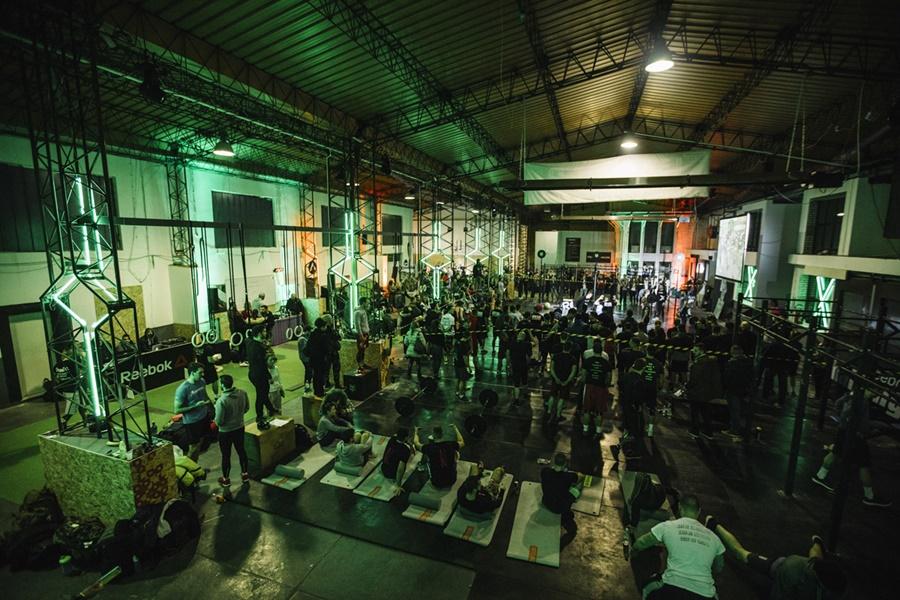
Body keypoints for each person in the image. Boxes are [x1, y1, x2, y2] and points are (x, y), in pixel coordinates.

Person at [704, 517, 847, 600]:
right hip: (779, 567)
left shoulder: (829, 577)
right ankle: (714, 524)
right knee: (740, 553)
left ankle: (817, 542)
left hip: (812, 567)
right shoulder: (791, 571)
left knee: (816, 553)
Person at [631, 494, 725, 600]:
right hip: (705, 594)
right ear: (699, 511)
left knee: (647, 589)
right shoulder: (714, 538)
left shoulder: (668, 526)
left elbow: (641, 543)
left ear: (680, 507)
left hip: (672, 589)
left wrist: (633, 550)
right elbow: (719, 567)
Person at [811, 389, 892, 508]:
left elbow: (838, 404)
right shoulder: (862, 400)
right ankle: (869, 496)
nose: (877, 394)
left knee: (835, 453)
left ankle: (820, 476)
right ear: (870, 388)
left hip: (843, 431)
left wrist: (844, 422)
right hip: (855, 435)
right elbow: (851, 416)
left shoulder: (854, 393)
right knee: (864, 465)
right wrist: (863, 428)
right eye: (877, 391)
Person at [213, 374, 250, 486]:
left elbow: (219, 421)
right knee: (241, 450)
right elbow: (246, 408)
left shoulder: (222, 401)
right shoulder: (242, 393)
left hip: (225, 432)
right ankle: (245, 474)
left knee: (226, 455)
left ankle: (226, 479)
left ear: (222, 385)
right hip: (239, 427)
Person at [173, 362, 212, 460]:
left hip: (204, 417)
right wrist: (195, 406)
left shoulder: (202, 381)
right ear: (192, 373)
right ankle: (191, 466)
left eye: (203, 372)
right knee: (194, 447)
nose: (203, 374)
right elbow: (177, 410)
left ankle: (195, 464)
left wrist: (211, 407)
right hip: (192, 422)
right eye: (200, 373)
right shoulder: (183, 389)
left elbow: (205, 396)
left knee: (201, 441)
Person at [540, 452, 584, 536]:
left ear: (554, 463)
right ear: (564, 464)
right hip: (560, 508)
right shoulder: (569, 476)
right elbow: (580, 477)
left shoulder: (545, 471)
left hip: (546, 502)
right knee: (579, 485)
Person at [687, 341, 723, 440]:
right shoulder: (712, 362)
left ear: (700, 350)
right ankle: (708, 432)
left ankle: (694, 431)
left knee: (695, 413)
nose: (693, 351)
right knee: (705, 413)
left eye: (695, 349)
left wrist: (687, 386)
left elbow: (694, 379)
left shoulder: (698, 363)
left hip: (697, 392)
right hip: (707, 392)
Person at [416, 424, 465, 488]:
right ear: (442, 434)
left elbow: (416, 442)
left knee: (428, 457)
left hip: (436, 482)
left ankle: (422, 466)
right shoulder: (451, 444)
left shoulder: (428, 447)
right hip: (452, 480)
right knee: (455, 453)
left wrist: (416, 432)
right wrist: (455, 428)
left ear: (433, 435)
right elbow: (461, 441)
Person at [247, 326, 276, 430]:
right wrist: (269, 376)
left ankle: (270, 409)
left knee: (262, 393)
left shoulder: (250, 342)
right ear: (259, 333)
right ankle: (260, 415)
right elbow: (262, 364)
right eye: (263, 331)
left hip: (252, 373)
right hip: (259, 374)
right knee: (261, 395)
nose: (265, 332)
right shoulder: (259, 348)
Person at [582, 338, 612, 437]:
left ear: (593, 350)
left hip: (589, 386)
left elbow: (583, 375)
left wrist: (586, 382)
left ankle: (585, 429)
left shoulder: (588, 361)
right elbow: (609, 377)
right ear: (601, 350)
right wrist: (605, 385)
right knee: (599, 411)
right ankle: (598, 431)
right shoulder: (606, 362)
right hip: (601, 387)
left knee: (587, 410)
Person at [723, 345, 754, 440]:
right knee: (741, 410)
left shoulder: (733, 363)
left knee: (734, 411)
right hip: (744, 390)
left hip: (733, 389)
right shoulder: (748, 363)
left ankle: (735, 430)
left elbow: (727, 377)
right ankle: (740, 429)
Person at [546, 334, 578, 424]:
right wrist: (567, 381)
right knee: (561, 398)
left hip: (556, 379)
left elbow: (551, 368)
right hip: (565, 380)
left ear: (563, 347)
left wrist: (556, 378)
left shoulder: (556, 356)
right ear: (570, 349)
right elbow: (573, 372)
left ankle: (549, 412)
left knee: (552, 395)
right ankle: (558, 415)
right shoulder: (572, 359)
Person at [381, 428, 415, 494]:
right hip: (392, 474)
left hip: (383, 468)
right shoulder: (405, 450)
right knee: (406, 459)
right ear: (406, 437)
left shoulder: (392, 439)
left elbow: (395, 435)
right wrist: (398, 486)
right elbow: (400, 469)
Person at [54, 353, 82, 430]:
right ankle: (63, 421)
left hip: (65, 389)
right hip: (74, 388)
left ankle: (86, 419)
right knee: (71, 408)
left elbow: (57, 378)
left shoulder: (56, 366)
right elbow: (78, 374)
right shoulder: (71, 363)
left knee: (81, 405)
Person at [306, 318, 331, 397]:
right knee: (320, 376)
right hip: (320, 359)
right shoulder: (323, 335)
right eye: (325, 326)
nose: (326, 327)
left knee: (316, 376)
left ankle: (317, 391)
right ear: (322, 327)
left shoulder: (313, 334)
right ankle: (320, 392)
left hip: (313, 359)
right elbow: (326, 348)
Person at [508, 326, 532, 406]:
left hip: (515, 365)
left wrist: (509, 364)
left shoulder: (512, 343)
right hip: (523, 365)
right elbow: (529, 356)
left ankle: (516, 399)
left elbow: (508, 354)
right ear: (524, 337)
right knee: (525, 381)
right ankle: (525, 394)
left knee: (516, 384)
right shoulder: (527, 344)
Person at [453, 326, 472, 401]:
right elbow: (465, 357)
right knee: (462, 380)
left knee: (458, 378)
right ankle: (461, 394)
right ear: (468, 337)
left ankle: (457, 391)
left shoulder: (457, 342)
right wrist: (468, 367)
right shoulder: (464, 345)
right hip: (461, 364)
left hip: (456, 362)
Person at [354, 297, 371, 373]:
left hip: (365, 333)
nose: (368, 304)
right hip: (362, 334)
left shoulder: (364, 311)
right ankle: (359, 366)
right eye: (367, 302)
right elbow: (357, 325)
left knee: (363, 349)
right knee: (360, 350)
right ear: (363, 303)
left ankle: (363, 364)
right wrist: (361, 336)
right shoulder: (358, 312)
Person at [296, 327, 313, 392]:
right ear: (306, 331)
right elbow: (305, 350)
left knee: (309, 371)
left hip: (306, 358)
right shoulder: (302, 339)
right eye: (309, 331)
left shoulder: (305, 337)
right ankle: (307, 386)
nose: (310, 333)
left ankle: (308, 385)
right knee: (308, 371)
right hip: (305, 358)